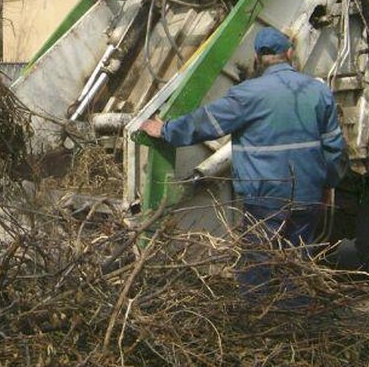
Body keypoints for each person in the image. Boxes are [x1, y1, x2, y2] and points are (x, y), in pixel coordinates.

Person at [140, 26, 345, 304]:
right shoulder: (318, 92)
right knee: (297, 262)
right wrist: (328, 182)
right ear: (289, 53)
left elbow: (206, 123)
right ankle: (296, 327)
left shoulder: (247, 94)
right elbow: (334, 148)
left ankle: (257, 322)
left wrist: (166, 130)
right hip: (307, 193)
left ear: (258, 58)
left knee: (257, 262)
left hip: (266, 195)